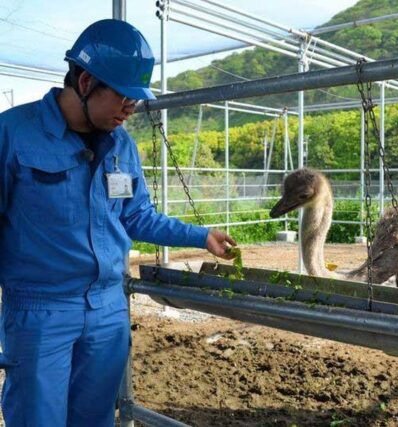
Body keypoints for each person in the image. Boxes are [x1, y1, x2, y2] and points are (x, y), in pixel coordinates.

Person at [0, 19, 236, 426]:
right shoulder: (13, 134)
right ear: (87, 80)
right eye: (125, 96)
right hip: (41, 312)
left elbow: (137, 215)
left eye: (137, 100)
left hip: (108, 310)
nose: (132, 108)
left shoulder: (121, 145)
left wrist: (201, 236)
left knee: (95, 420)